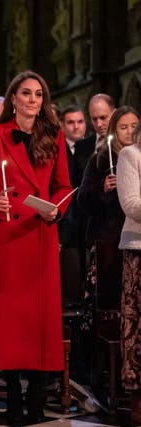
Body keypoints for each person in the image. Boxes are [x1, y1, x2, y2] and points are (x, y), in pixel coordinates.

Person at [0, 70, 73, 424]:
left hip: (41, 235)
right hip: (8, 236)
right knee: (8, 320)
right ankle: (12, 398)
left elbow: (62, 185)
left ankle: (37, 400)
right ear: (13, 98)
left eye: (39, 95)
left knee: (39, 320)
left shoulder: (54, 135)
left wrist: (57, 208)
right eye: (26, 93)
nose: (33, 100)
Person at [78, 106, 139, 374]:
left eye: (134, 126)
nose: (129, 132)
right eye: (123, 127)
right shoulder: (102, 159)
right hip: (107, 239)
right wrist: (102, 189)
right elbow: (83, 201)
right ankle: (100, 368)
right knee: (105, 308)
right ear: (115, 130)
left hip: (131, 239)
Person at [115, 124, 141, 425]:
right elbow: (132, 205)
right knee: (137, 329)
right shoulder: (131, 155)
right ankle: (137, 398)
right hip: (138, 250)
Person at [58, 105, 93, 308]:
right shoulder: (59, 149)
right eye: (70, 122)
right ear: (63, 125)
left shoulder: (92, 148)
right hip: (67, 224)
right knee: (70, 280)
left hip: (87, 223)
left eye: (80, 122)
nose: (76, 127)